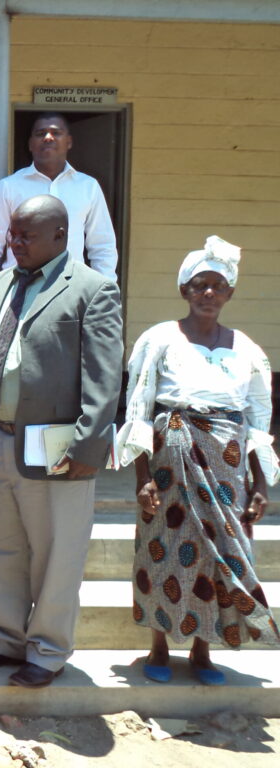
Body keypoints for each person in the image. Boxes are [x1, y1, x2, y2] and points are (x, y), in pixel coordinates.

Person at [0, 195, 122, 688]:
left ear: (60, 236)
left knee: (56, 553)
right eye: (13, 232)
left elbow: (104, 377)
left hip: (56, 445)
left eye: (26, 235)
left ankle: (47, 651)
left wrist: (88, 448)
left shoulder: (92, 289)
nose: (15, 242)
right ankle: (4, 638)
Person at [117, 236, 280, 685]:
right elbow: (138, 410)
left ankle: (203, 649)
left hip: (228, 468)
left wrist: (260, 484)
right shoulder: (160, 339)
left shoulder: (248, 349)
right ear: (184, 290)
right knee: (163, 550)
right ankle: (159, 646)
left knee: (218, 556)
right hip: (171, 463)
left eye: (218, 286)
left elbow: (258, 421)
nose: (208, 293)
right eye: (199, 285)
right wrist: (142, 476)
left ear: (230, 293)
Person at [0, 112, 117, 279]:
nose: (48, 137)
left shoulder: (88, 187)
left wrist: (106, 287)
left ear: (69, 142)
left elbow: (102, 245)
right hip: (20, 286)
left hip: (72, 286)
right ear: (30, 144)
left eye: (56, 133)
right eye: (40, 133)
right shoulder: (8, 187)